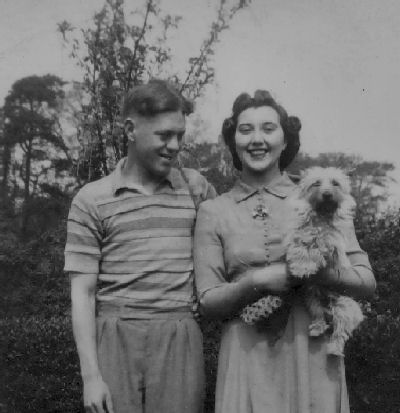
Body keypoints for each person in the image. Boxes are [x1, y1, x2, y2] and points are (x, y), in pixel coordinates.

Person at [194, 90, 376, 413]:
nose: (257, 139)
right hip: (245, 355)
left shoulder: (322, 196)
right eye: (245, 130)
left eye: (268, 128)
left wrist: (317, 273)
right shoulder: (213, 211)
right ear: (233, 140)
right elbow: (208, 301)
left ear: (285, 139)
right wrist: (258, 281)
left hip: (312, 350)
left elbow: (366, 281)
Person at [64, 79, 216, 413]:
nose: (174, 146)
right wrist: (91, 377)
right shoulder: (92, 199)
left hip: (179, 335)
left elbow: (226, 253)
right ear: (131, 129)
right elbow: (83, 293)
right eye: (164, 135)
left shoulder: (196, 189)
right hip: (114, 336)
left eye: (180, 135)